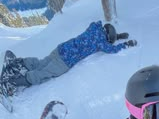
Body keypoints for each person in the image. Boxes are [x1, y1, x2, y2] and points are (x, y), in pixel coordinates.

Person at [0, 21, 137, 96]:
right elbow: (111, 49)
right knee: (44, 73)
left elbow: (103, 37)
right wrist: (126, 43)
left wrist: (118, 36)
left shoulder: (93, 27)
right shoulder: (101, 42)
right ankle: (14, 82)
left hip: (60, 49)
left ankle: (19, 62)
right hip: (65, 61)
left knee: (41, 63)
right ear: (107, 37)